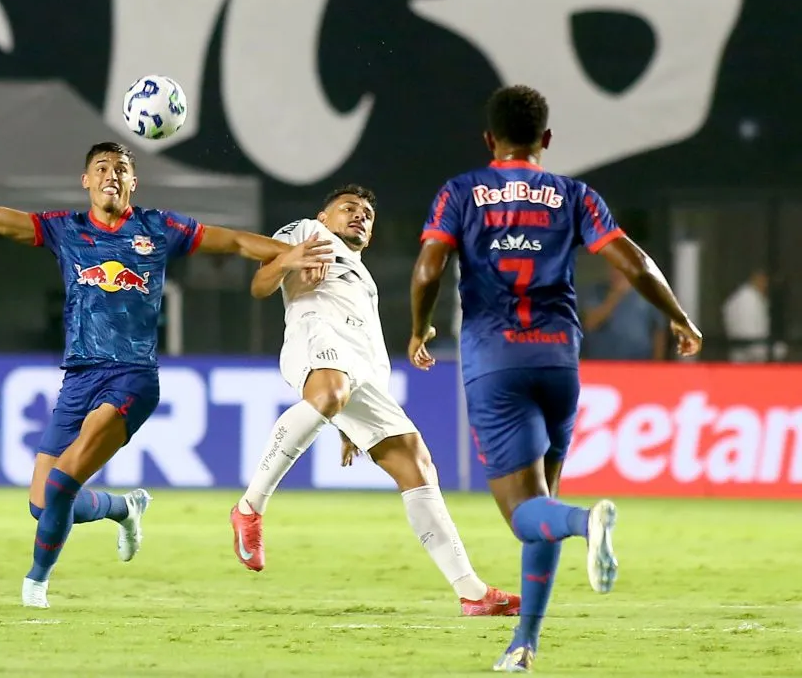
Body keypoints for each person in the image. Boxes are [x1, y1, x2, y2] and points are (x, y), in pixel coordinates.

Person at [0, 140, 332, 608]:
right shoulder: (65, 229)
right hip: (78, 378)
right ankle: (124, 507)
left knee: (61, 483)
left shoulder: (160, 227)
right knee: (42, 504)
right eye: (101, 167)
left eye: (120, 168)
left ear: (134, 181)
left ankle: (35, 585)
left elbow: (234, 241)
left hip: (132, 377)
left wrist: (290, 253)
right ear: (86, 180)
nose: (110, 174)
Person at [408, 86, 702, 672]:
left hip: (496, 360)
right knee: (541, 500)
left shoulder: (460, 192)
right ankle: (524, 645)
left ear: (489, 139)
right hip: (559, 359)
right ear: (545, 138)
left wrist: (419, 329)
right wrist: (678, 316)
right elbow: (634, 261)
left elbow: (428, 267)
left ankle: (585, 522)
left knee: (527, 514)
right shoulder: (574, 195)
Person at [230, 184, 521, 617]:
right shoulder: (307, 232)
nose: (359, 216)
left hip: (360, 371)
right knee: (331, 393)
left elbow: (369, 350)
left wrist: (350, 423)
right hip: (315, 337)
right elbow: (259, 284)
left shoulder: (365, 281)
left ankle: (472, 592)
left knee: (417, 463)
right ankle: (249, 508)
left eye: (367, 214)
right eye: (348, 208)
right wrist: (288, 260)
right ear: (324, 217)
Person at [581, 264, 667, 361]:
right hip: (603, 363)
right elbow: (590, 323)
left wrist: (657, 364)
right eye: (615, 267)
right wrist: (616, 294)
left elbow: (658, 331)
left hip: (639, 363)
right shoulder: (597, 291)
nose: (618, 273)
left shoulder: (648, 293)